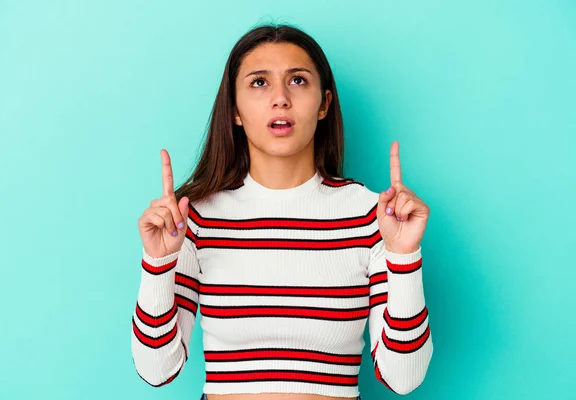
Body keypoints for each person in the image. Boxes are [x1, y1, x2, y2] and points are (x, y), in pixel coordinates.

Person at [131, 23, 433, 400]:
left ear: (324, 104)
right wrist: (158, 263)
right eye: (259, 82)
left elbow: (404, 377)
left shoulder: (372, 216)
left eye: (298, 81)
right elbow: (156, 368)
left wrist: (403, 256)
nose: (280, 99)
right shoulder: (195, 219)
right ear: (235, 111)